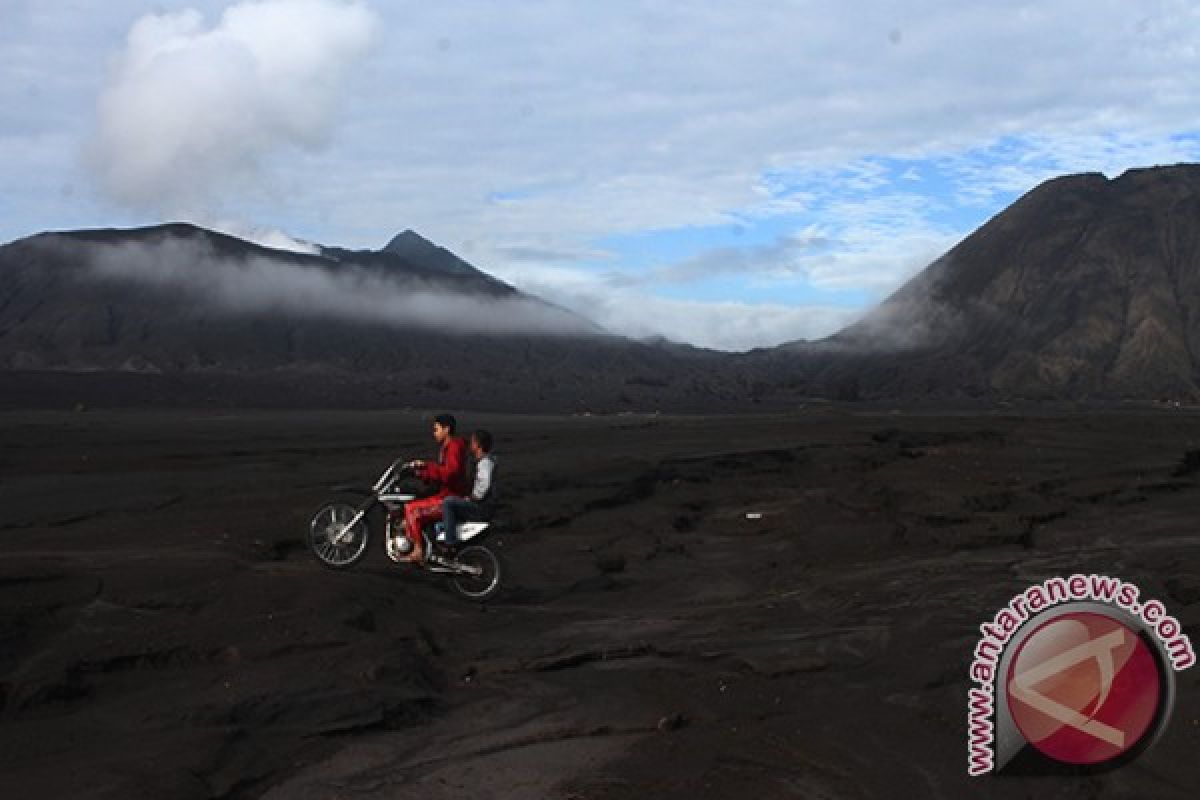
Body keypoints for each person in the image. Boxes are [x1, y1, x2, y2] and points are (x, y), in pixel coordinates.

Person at [398, 413, 468, 562]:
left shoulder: (454, 447)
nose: (434, 433)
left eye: (436, 429)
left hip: (450, 497)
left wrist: (426, 467)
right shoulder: (447, 448)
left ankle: (418, 551)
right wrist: (422, 473)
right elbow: (442, 474)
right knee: (411, 507)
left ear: (446, 429)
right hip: (446, 495)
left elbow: (450, 473)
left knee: (411, 510)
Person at [438, 429, 497, 549]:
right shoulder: (486, 461)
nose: (470, 445)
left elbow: (483, 486)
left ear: (478, 445)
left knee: (448, 503)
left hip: (482, 507)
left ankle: (450, 543)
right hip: (485, 506)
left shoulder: (485, 463)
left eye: (472, 442)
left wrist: (472, 498)